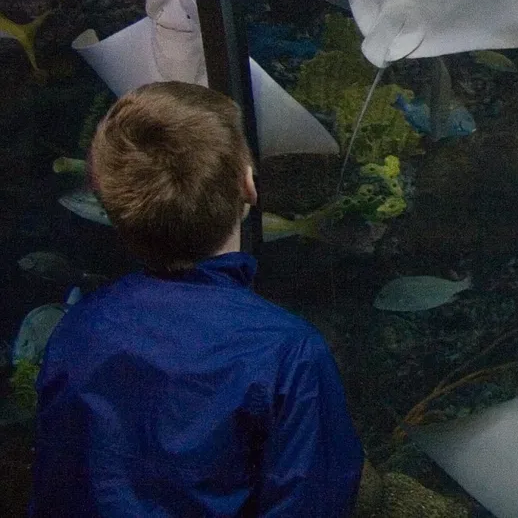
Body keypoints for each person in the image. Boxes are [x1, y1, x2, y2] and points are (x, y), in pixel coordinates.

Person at [31, 81, 364, 516]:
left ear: (108, 203)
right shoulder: (290, 352)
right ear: (247, 184)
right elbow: (313, 500)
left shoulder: (77, 331)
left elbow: (57, 491)